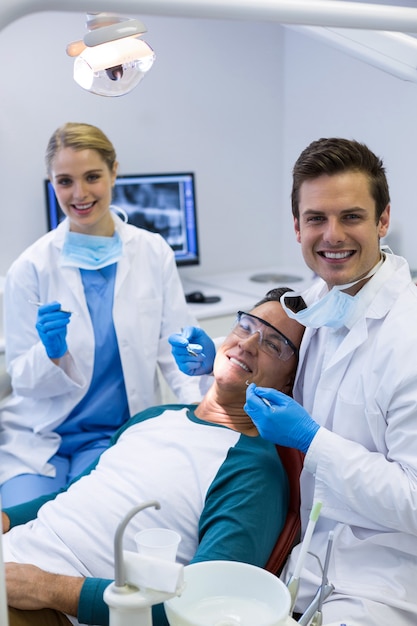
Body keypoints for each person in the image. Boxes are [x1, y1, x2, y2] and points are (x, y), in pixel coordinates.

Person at [171, 138, 417, 626]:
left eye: (351, 217)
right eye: (316, 219)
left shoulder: (406, 339)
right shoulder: (323, 295)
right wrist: (222, 361)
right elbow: (278, 353)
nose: (332, 236)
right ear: (296, 226)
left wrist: (314, 441)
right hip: (304, 560)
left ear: (383, 221)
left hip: (384, 580)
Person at [2, 288, 306, 626]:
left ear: (290, 383)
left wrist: (49, 589)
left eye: (273, 344)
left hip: (49, 606)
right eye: (246, 327)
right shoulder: (156, 416)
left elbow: (204, 604)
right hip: (14, 560)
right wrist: (6, 518)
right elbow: (70, 494)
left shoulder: (252, 471)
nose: (247, 345)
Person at [0, 122, 204, 508]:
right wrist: (52, 353)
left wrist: (204, 410)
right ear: (52, 183)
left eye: (92, 176)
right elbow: (23, 382)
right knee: (19, 534)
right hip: (39, 436)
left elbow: (175, 347)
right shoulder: (30, 268)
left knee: (91, 523)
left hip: (111, 436)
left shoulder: (152, 252)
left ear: (114, 172)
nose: (79, 194)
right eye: (64, 181)